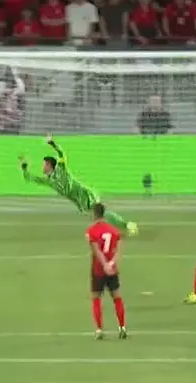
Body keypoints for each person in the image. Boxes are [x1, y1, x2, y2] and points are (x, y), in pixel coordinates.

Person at [19, 135, 139, 235]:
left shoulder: (61, 169)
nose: (42, 167)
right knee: (97, 215)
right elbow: (31, 178)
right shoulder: (49, 180)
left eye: (44, 164)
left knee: (100, 213)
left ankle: (126, 225)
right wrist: (24, 168)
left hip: (83, 194)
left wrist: (52, 143)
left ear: (50, 165)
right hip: (77, 200)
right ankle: (117, 229)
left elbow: (61, 154)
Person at [85, 203, 128, 340]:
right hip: (112, 271)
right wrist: (111, 263)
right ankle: (122, 327)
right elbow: (119, 249)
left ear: (94, 214)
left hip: (98, 270)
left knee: (96, 298)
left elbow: (96, 250)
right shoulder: (113, 230)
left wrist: (104, 265)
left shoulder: (90, 231)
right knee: (117, 298)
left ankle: (99, 330)